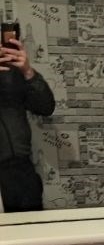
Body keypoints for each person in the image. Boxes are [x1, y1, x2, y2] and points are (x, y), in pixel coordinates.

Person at [0, 34, 55, 212]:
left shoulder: (11, 72)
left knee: (32, 228)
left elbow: (46, 107)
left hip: (21, 173)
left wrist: (28, 72)